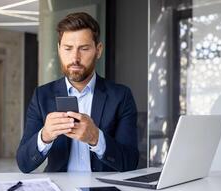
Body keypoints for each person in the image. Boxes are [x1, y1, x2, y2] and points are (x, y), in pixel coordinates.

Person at [16, 12, 139, 173]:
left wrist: (96, 138)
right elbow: (24, 164)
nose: (75, 58)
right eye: (68, 48)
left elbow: (130, 162)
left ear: (98, 50)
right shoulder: (42, 96)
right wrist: (44, 136)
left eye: (84, 48)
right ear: (59, 50)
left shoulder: (121, 96)